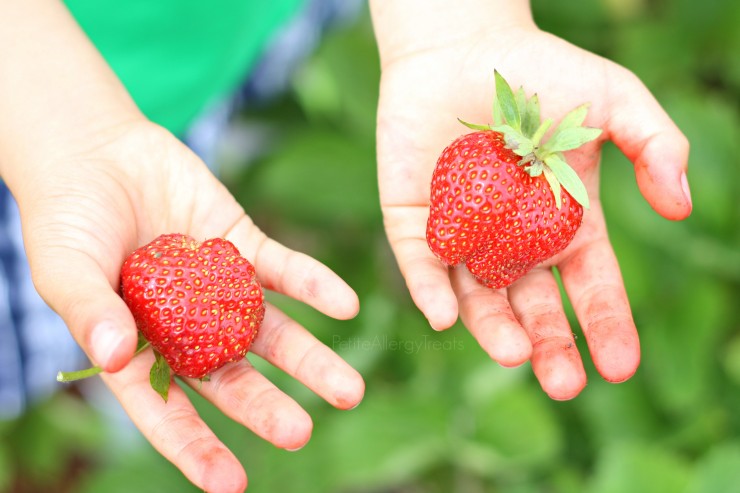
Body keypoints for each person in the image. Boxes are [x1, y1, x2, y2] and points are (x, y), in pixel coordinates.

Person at [0, 1, 691, 493]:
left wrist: (457, 21)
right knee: (93, 302)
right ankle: (114, 371)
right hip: (27, 112)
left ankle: (219, 132)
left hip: (233, 30)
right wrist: (68, 140)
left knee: (203, 130)